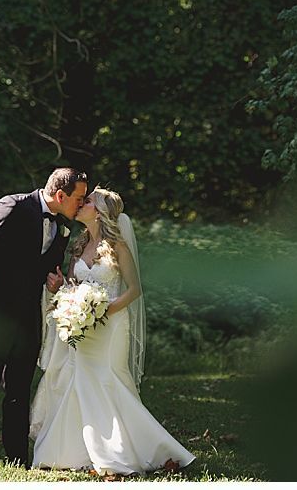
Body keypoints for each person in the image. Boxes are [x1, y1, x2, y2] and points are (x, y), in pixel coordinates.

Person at [29, 186, 196, 475]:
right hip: (84, 327)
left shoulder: (117, 245)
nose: (80, 204)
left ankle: (138, 450)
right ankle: (72, 452)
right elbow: (73, 286)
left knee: (109, 382)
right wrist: (62, 291)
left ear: (101, 212)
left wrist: (102, 313)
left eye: (88, 202)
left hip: (111, 327)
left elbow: (134, 290)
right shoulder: (79, 245)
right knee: (79, 382)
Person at [0, 168, 89, 467]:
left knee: (19, 388)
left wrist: (53, 280)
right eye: (78, 199)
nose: (81, 205)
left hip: (29, 316)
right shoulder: (12, 206)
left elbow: (44, 266)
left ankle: (17, 457)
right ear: (60, 195)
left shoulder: (63, 227)